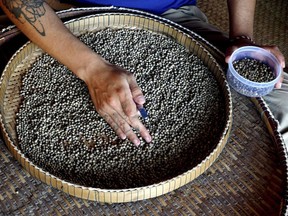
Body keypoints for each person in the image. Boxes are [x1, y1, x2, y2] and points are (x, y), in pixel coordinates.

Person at [0, 0, 286, 146]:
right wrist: (92, 69)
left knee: (283, 108)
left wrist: (243, 39)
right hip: (80, 19)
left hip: (178, 17)